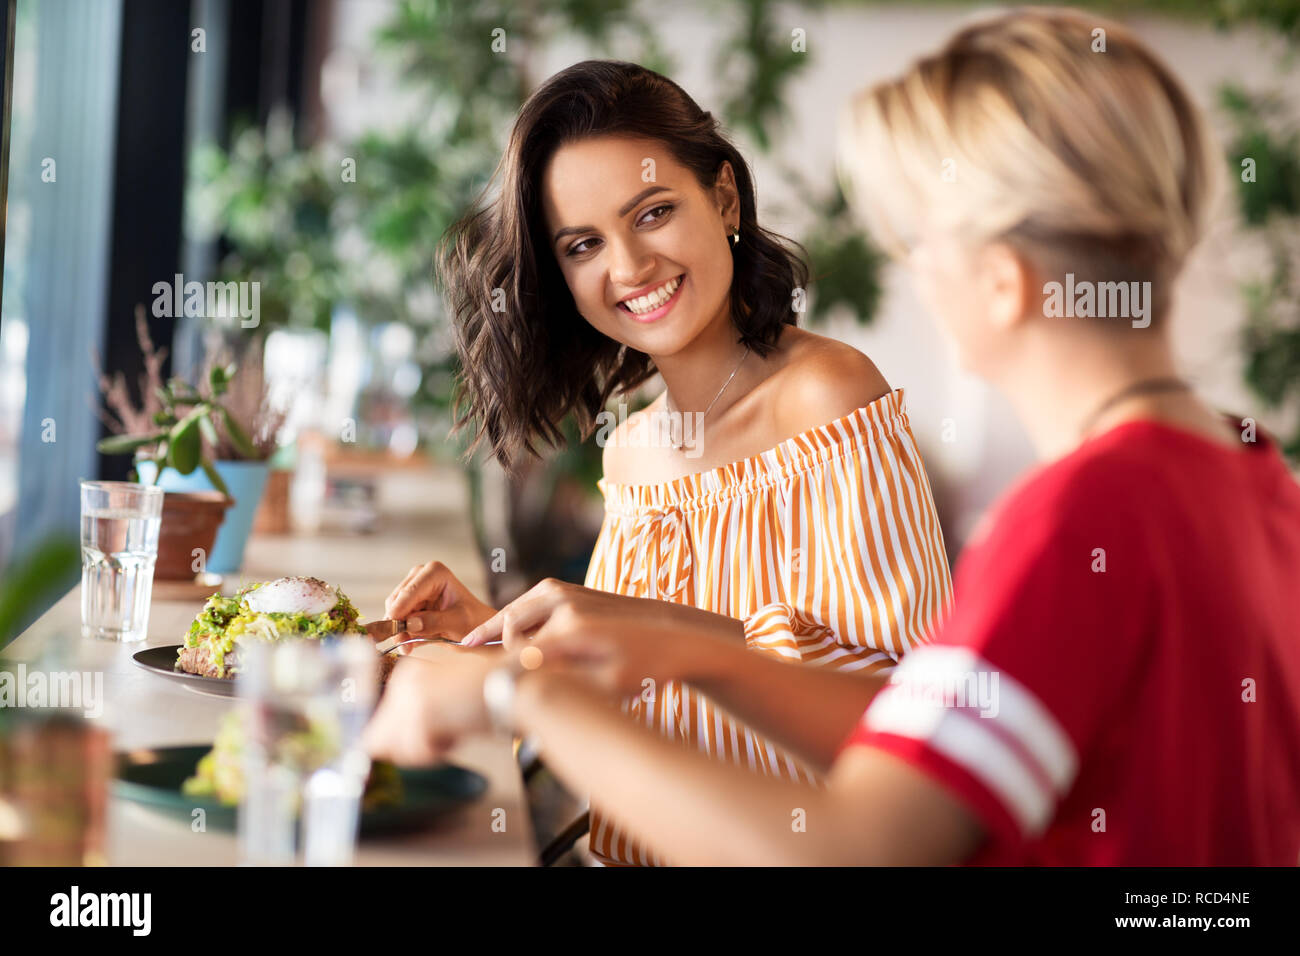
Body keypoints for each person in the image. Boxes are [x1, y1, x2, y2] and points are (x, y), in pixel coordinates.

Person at [368, 8, 1300, 866]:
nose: (914, 280)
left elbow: (866, 844)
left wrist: (517, 695)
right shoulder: (1256, 480)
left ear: (1002, 280)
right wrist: (565, 647)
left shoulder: (1072, 527)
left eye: (915, 243)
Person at [378, 60, 952, 865]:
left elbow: (917, 721)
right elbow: (646, 695)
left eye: (651, 213)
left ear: (723, 199)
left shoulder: (825, 395)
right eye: (583, 244)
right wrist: (503, 642)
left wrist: (649, 628)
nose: (629, 267)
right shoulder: (635, 448)